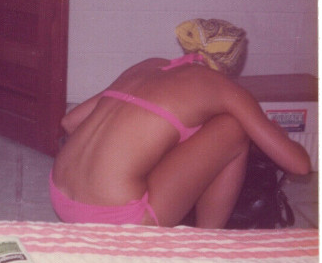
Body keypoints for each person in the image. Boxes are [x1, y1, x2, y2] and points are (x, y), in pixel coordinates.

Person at [50, 19, 311, 228]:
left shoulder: (150, 65)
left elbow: (70, 122)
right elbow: (299, 166)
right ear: (233, 66)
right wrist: (276, 133)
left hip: (61, 199)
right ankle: (205, 243)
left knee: (164, 141)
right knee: (233, 127)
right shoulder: (223, 87)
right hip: (118, 218)